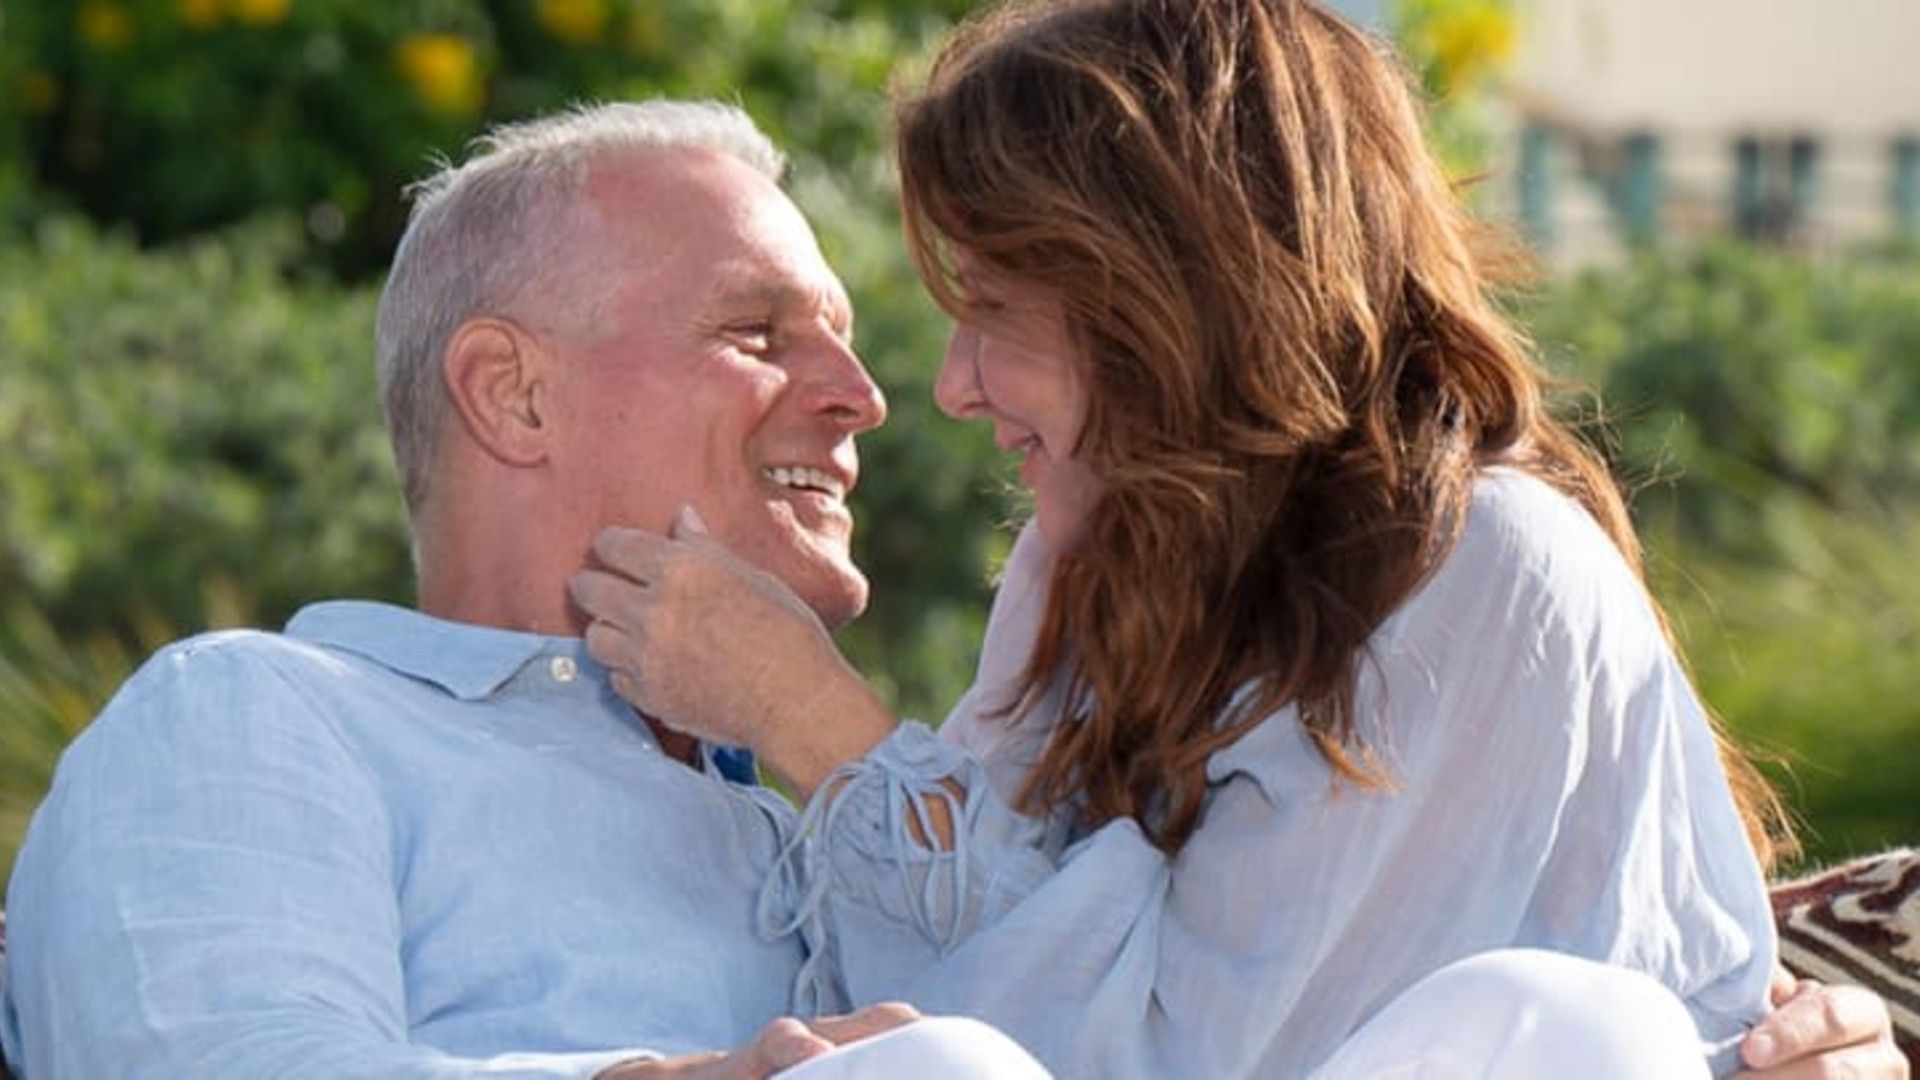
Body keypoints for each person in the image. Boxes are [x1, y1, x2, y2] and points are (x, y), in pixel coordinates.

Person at [566, 3, 1908, 1078]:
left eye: (994, 311)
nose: (953, 385)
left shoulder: (1483, 568)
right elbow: (933, 1010)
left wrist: (818, 725)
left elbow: (1207, 1059)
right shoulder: (1077, 575)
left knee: (1558, 1018)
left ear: (1161, 304)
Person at [0, 100, 1047, 1080]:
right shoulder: (253, 712)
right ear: (512, 396)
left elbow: (1116, 1023)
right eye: (756, 334)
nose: (861, 399)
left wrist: (814, 719)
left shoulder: (822, 829)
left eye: (847, 342)